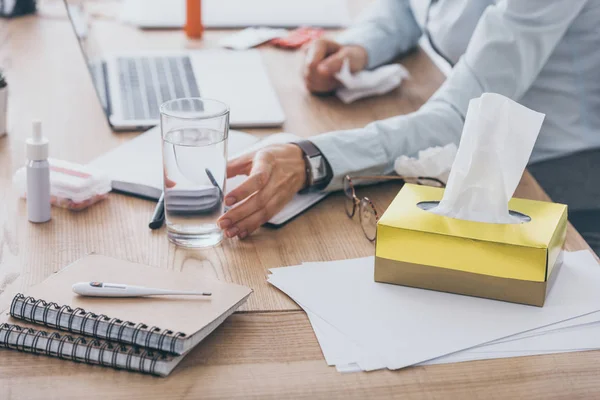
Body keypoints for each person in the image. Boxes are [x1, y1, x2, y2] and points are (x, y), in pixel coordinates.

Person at [217, 0, 600, 253]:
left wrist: (312, 159)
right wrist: (359, 49)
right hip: (477, 154)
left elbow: (463, 117)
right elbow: (407, 6)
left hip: (555, 177)